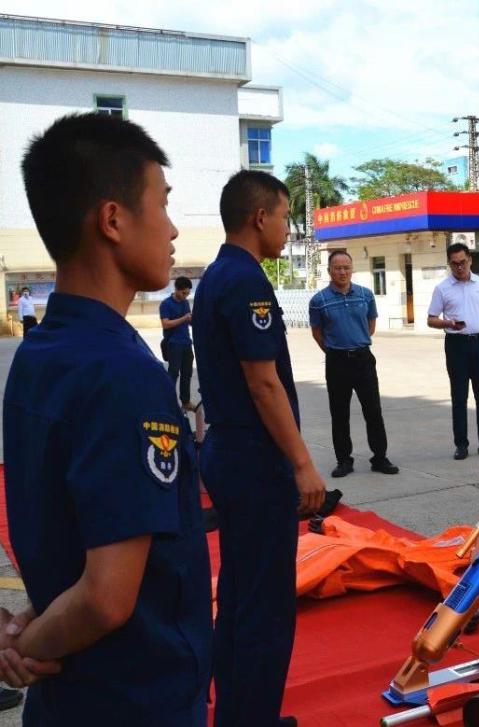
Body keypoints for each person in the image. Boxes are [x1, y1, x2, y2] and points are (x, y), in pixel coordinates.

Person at [3, 112, 211, 722]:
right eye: (163, 204)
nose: (172, 230)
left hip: (68, 700)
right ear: (113, 220)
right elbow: (106, 598)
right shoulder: (121, 373)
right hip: (136, 694)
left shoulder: (39, 353)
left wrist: (28, 632)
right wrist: (23, 651)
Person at [193, 170, 326, 726]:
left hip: (229, 451)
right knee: (265, 605)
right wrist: (302, 464)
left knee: (242, 596)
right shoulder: (246, 281)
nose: (288, 227)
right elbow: (263, 381)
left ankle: (240, 714)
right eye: (286, 215)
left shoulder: (215, 277)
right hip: (254, 461)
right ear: (259, 218)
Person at [309, 250, 398, 478]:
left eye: (346, 267)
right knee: (339, 414)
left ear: (352, 269)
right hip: (337, 362)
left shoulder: (366, 295)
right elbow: (317, 333)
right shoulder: (319, 301)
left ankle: (379, 458)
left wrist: (356, 344)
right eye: (337, 268)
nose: (342, 272)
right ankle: (343, 461)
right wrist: (335, 351)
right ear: (329, 271)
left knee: (373, 411)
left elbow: (370, 326)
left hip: (363, 360)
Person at [427, 242, 479, 460]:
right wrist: (448, 324)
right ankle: (461, 444)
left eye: (463, 262)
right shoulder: (442, 288)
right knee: (459, 397)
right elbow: (431, 319)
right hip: (456, 346)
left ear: (470, 259)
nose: (459, 267)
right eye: (454, 264)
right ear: (449, 264)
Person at [160, 276, 195, 409]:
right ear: (176, 289)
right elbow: (166, 324)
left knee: (187, 373)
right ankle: (168, 402)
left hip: (186, 342)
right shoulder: (166, 304)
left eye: (187, 293)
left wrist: (193, 319)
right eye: (183, 293)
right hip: (174, 343)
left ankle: (185, 402)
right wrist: (184, 318)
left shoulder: (185, 303)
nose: (185, 296)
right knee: (173, 373)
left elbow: (188, 320)